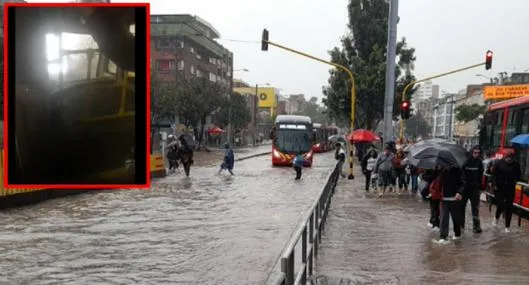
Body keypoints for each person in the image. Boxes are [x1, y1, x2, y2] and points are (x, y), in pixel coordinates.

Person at [491, 151, 522, 233]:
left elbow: (519, 174)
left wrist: (516, 180)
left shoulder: (516, 164)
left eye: (510, 160)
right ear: (505, 158)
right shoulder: (499, 163)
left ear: (512, 159)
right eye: (507, 159)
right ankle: (496, 218)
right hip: (499, 187)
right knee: (500, 204)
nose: (508, 161)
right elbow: (493, 174)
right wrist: (494, 184)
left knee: (509, 207)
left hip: (510, 187)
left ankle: (507, 227)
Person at [437, 166, 465, 244]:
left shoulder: (458, 170)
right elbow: (438, 183)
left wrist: (459, 192)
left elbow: (463, 183)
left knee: (456, 219)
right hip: (444, 199)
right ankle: (443, 237)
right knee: (443, 219)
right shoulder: (441, 170)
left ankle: (457, 235)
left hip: (455, 199)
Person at [461, 145, 484, 233]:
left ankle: (476, 226)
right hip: (465, 189)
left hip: (475, 189)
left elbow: (481, 176)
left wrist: (481, 188)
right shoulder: (465, 161)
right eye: (475, 152)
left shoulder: (479, 162)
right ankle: (461, 225)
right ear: (471, 152)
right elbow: (461, 175)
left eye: (478, 153)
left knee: (475, 208)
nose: (477, 154)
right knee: (462, 207)